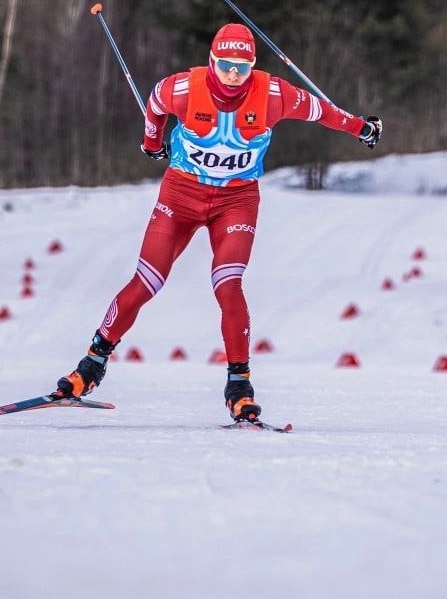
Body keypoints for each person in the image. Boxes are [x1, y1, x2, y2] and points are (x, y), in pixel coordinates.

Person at [53, 22, 382, 421]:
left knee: (228, 285)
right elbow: (154, 107)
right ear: (212, 61)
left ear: (253, 66)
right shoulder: (180, 89)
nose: (233, 75)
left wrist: (361, 127)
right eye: (225, 65)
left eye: (242, 68)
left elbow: (323, 112)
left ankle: (239, 384)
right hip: (181, 195)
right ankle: (91, 364)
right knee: (147, 281)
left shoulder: (274, 94)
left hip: (236, 201)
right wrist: (152, 143)